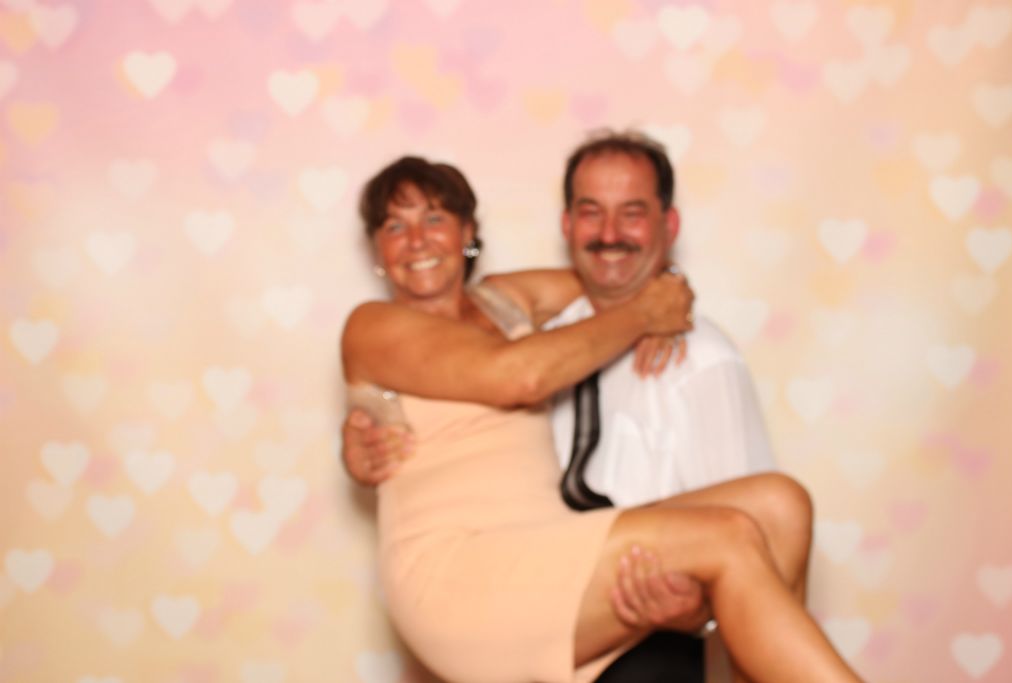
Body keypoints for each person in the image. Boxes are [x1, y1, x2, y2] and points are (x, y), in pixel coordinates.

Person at [341, 154, 863, 683]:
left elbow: (620, 275)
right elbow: (519, 376)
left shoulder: (506, 299)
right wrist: (645, 314)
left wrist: (667, 296)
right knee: (727, 535)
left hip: (545, 541)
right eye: (395, 227)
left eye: (434, 219)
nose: (417, 241)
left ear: (467, 232)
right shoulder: (372, 326)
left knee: (779, 504)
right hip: (457, 573)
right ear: (377, 248)